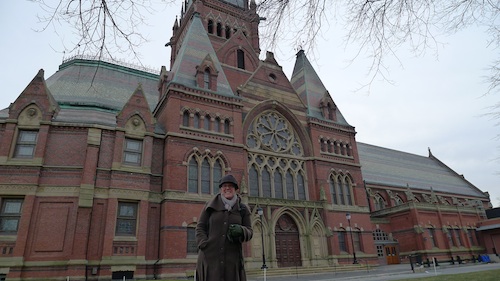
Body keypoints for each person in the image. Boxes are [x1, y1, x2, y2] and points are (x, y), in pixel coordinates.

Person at [195, 174, 253, 281]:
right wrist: (203, 244)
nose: (227, 188)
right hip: (210, 258)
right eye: (224, 186)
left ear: (235, 189)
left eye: (230, 186)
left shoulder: (243, 209)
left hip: (232, 260)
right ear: (221, 189)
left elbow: (250, 231)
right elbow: (200, 227)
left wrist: (242, 230)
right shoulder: (210, 206)